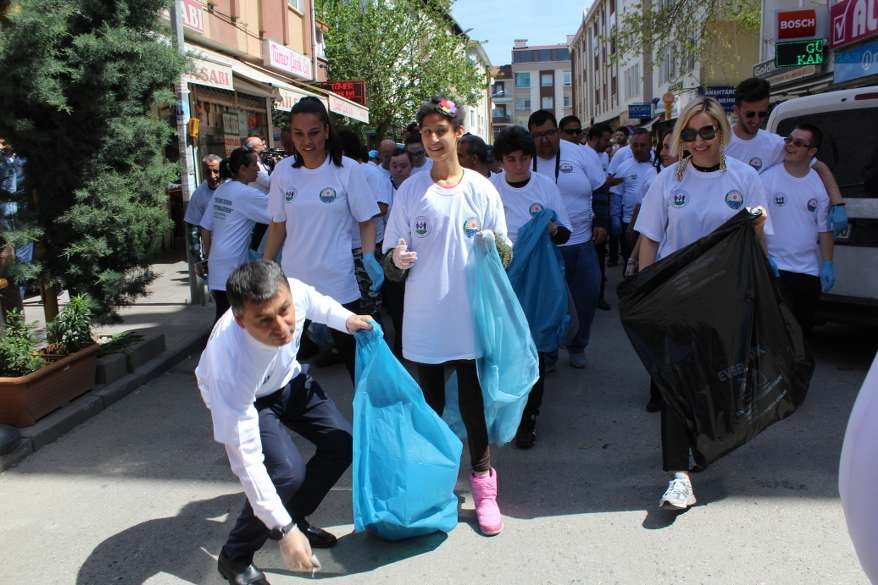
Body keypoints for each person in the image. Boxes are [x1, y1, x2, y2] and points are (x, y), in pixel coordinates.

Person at [195, 259, 373, 584]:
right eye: (264, 321)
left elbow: (316, 302)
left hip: (286, 380)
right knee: (286, 473)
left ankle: (294, 514)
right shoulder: (228, 364)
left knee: (341, 443)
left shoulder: (293, 292)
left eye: (284, 310)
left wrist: (347, 320)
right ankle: (235, 557)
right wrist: (284, 531)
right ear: (239, 320)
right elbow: (247, 463)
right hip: (250, 398)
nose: (282, 327)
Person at [382, 96, 511, 536]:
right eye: (426, 132)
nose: (434, 139)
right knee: (431, 407)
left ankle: (483, 487)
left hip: (469, 316)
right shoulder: (410, 191)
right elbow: (389, 261)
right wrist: (396, 260)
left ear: (458, 133)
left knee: (474, 409)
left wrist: (494, 247)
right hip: (425, 319)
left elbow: (506, 257)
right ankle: (437, 488)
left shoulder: (482, 189)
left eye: (442, 130)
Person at [635, 97, 771, 510]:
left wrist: (760, 226)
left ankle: (701, 444)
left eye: (706, 132)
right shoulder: (668, 181)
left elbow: (758, 246)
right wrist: (648, 293)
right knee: (677, 384)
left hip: (725, 299)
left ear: (721, 132)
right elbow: (650, 240)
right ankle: (679, 476)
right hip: (676, 297)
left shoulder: (745, 177)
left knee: (715, 383)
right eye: (689, 134)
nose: (698, 142)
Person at [262, 97, 380, 381]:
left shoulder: (348, 170)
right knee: (281, 365)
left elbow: (367, 220)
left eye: (314, 132)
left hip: (338, 284)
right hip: (293, 285)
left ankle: (367, 423)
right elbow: (278, 227)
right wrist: (263, 266)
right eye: (298, 134)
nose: (307, 141)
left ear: (326, 131)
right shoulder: (283, 172)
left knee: (358, 367)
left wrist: (368, 256)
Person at [490, 126, 571, 449]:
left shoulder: (545, 187)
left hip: (536, 281)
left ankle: (528, 419)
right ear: (500, 161)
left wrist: (550, 229)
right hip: (501, 279)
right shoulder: (490, 188)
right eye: (511, 159)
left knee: (533, 349)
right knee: (501, 351)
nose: (518, 165)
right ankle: (501, 410)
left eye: (524, 159)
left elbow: (566, 233)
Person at [528, 109, 606, 369]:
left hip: (581, 242)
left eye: (549, 133)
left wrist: (602, 222)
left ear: (558, 132)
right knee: (548, 302)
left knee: (587, 296)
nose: (544, 140)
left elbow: (600, 189)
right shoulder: (525, 160)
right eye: (537, 135)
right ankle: (548, 352)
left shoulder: (582, 154)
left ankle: (578, 345)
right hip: (544, 249)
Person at [726, 77, 847, 234]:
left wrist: (838, 204)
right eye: (750, 114)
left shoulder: (776, 144)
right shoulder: (719, 143)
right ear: (736, 111)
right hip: (725, 226)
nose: (756, 120)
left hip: (758, 228)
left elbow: (820, 167)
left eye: (762, 114)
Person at [763, 123, 834, 333]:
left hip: (807, 272)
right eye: (789, 140)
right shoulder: (766, 180)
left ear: (811, 152)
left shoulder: (819, 186)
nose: (790, 146)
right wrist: (764, 256)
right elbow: (755, 223)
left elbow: (824, 230)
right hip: (775, 269)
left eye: (799, 143)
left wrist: (828, 263)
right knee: (777, 335)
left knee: (801, 336)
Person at [200, 148, 272, 322]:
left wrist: (207, 259)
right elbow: (279, 213)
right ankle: (214, 350)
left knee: (225, 317)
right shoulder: (246, 194)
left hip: (217, 264)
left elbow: (205, 227)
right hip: (232, 268)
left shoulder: (221, 190)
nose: (258, 169)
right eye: (254, 164)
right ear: (242, 169)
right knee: (229, 322)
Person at [614, 129, 657, 268]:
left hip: (653, 223)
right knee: (630, 263)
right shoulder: (623, 167)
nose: (638, 149)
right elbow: (616, 194)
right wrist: (615, 219)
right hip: (629, 224)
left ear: (651, 145)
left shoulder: (658, 164)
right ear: (630, 146)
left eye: (643, 145)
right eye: (635, 145)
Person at [184, 154, 223, 278]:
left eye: (216, 171)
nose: (212, 176)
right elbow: (193, 228)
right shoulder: (199, 194)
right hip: (214, 254)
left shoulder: (232, 188)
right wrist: (198, 259)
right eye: (208, 172)